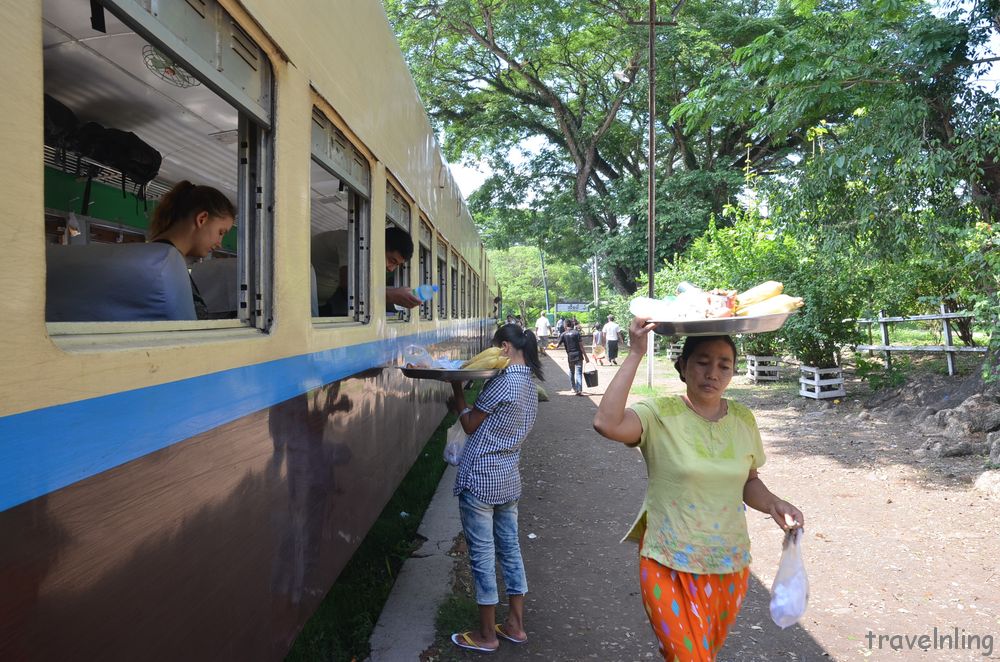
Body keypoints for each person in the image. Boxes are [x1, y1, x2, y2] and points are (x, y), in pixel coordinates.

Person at [593, 319, 805, 661]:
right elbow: (606, 422)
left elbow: (748, 481)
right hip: (666, 560)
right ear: (683, 366)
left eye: (724, 365)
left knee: (704, 653)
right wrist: (634, 353)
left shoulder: (743, 419)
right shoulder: (658, 414)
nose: (713, 373)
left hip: (727, 564)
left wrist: (774, 504)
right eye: (703, 362)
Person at [448, 324, 545, 653]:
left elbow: (470, 424)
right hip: (508, 478)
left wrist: (458, 390)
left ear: (504, 347)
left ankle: (487, 635)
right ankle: (515, 625)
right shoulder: (529, 383)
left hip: (480, 479)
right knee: (511, 551)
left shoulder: (501, 381)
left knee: (482, 557)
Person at [149, 180, 236, 320]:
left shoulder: (151, 258)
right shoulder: (168, 266)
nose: (220, 243)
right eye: (221, 232)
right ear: (202, 219)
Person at [316, 226, 419, 316]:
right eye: (392, 261)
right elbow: (349, 286)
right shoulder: (348, 241)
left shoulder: (366, 256)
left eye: (397, 265)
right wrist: (390, 295)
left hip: (322, 303)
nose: (390, 268)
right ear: (380, 245)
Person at [555, 318, 589, 395]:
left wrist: (550, 346)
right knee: (579, 373)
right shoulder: (577, 333)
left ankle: (573, 388)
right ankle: (579, 389)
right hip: (578, 355)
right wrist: (586, 357)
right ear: (571, 324)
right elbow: (581, 347)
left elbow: (556, 346)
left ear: (565, 325)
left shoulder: (563, 334)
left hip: (570, 356)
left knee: (571, 371)